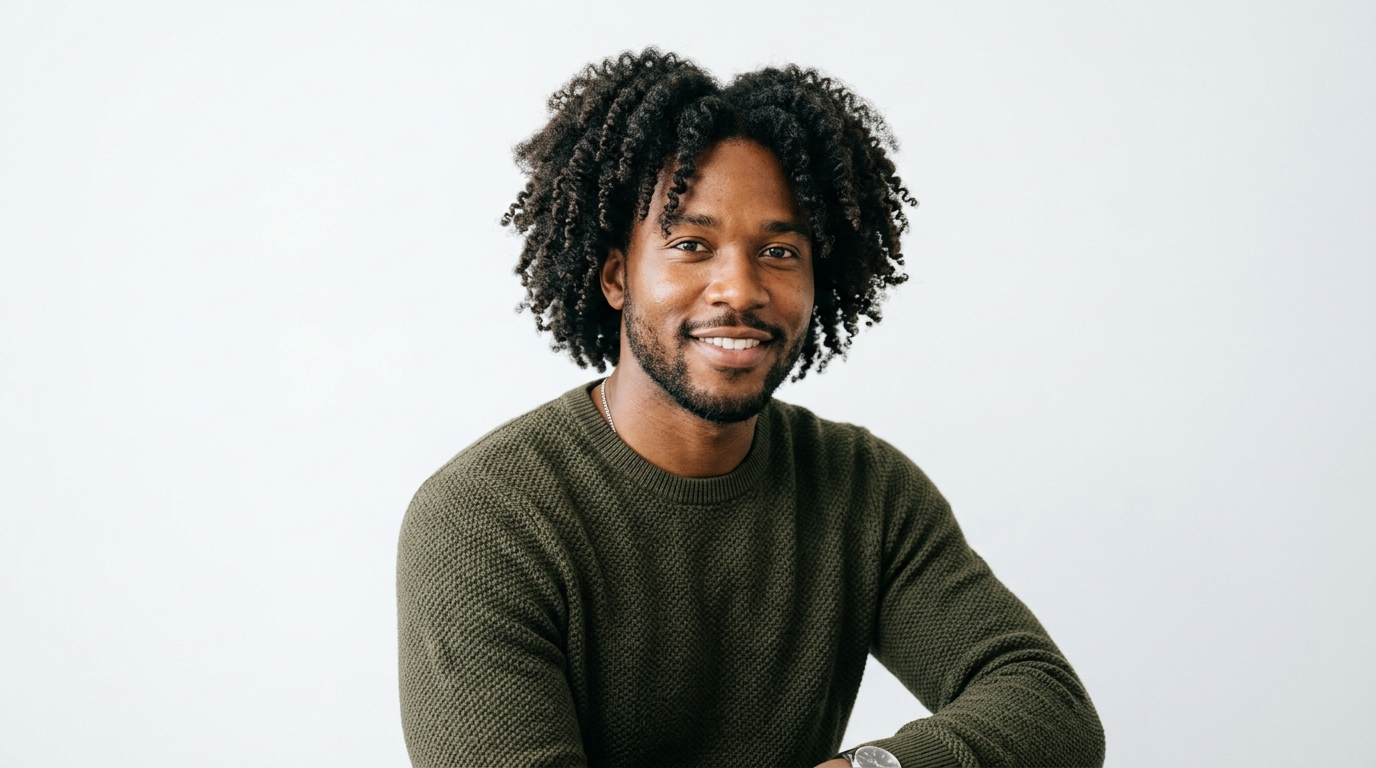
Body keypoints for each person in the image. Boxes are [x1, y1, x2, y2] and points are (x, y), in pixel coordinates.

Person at [397, 49, 1105, 768]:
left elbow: (1047, 707)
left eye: (778, 250)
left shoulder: (864, 490)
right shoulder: (484, 521)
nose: (738, 288)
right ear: (616, 276)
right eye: (691, 245)